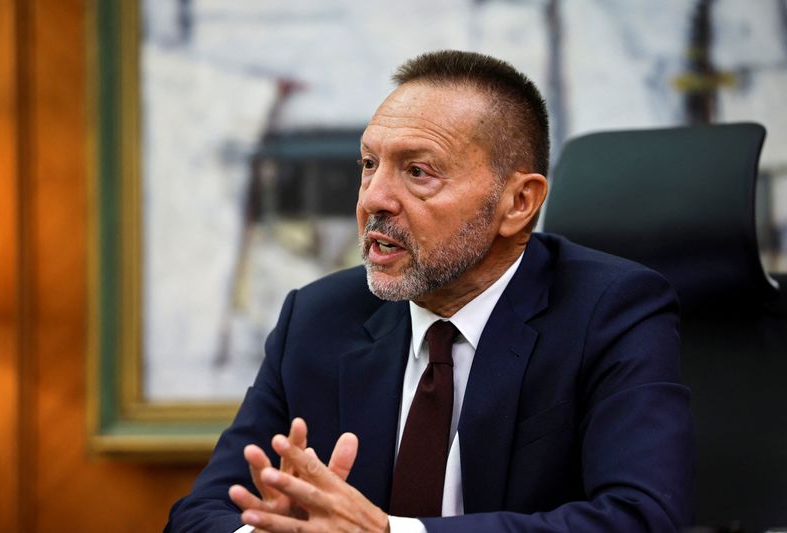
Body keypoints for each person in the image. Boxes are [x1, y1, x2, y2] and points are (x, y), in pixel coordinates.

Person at [166, 50, 695, 533]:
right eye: (368, 165)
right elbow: (197, 517)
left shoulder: (613, 310)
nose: (374, 198)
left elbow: (640, 519)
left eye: (417, 172)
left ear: (518, 203)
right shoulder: (316, 318)